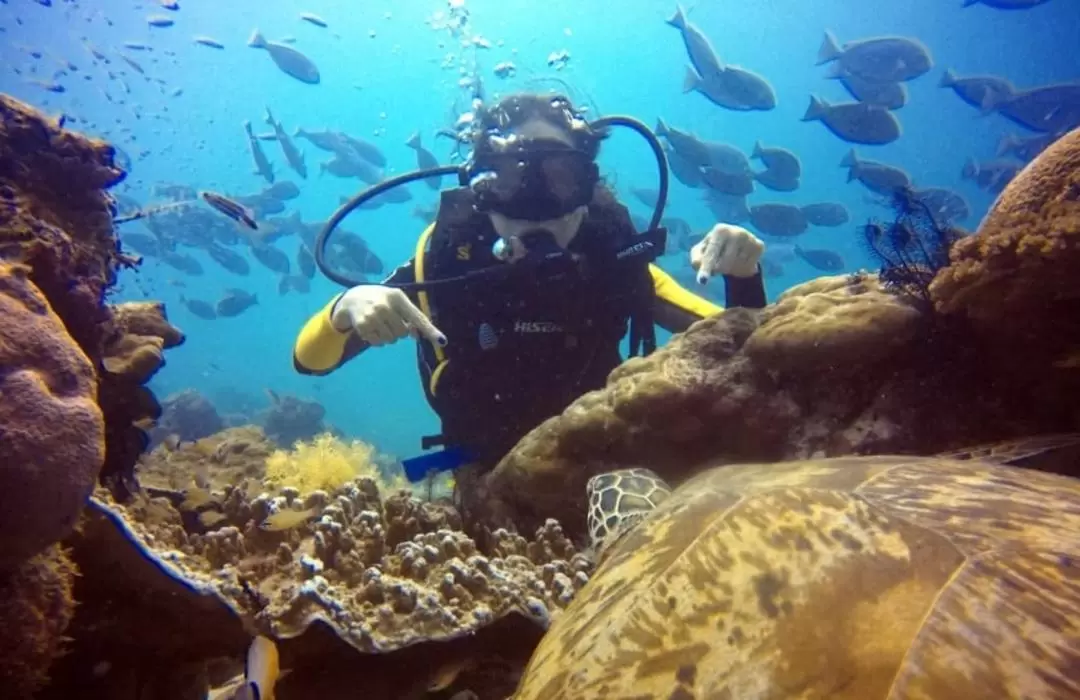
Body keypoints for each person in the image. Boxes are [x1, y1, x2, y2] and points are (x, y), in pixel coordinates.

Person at [293, 93, 768, 476]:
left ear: (587, 190)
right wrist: (348, 306)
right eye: (512, 178)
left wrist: (744, 276)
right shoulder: (446, 264)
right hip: (480, 470)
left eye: (560, 178)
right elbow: (309, 360)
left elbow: (752, 353)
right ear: (482, 191)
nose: (538, 206)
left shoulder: (612, 259)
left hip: (605, 461)